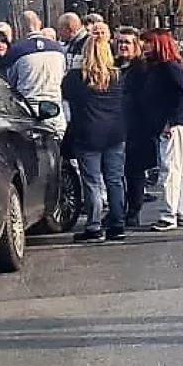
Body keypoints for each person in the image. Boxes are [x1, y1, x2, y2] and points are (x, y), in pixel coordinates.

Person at [62, 34, 129, 243]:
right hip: (115, 133)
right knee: (114, 180)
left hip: (87, 132)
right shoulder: (117, 77)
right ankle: (117, 225)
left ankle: (93, 226)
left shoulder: (75, 78)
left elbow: (66, 100)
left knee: (92, 182)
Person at [141, 29, 183, 231]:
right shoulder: (161, 67)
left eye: (148, 43)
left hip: (173, 124)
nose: (144, 47)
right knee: (175, 168)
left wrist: (171, 121)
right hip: (170, 122)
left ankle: (168, 215)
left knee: (169, 168)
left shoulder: (169, 67)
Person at [116, 29, 157, 228]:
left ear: (136, 46)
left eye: (127, 43)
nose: (123, 46)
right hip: (116, 126)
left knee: (135, 172)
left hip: (137, 127)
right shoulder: (114, 66)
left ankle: (133, 211)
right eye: (120, 42)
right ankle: (119, 209)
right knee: (117, 172)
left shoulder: (141, 69)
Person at [4, 27, 69, 137]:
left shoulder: (17, 51)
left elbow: (11, 82)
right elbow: (63, 75)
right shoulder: (58, 50)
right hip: (54, 111)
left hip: (28, 111)